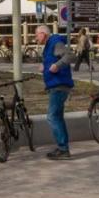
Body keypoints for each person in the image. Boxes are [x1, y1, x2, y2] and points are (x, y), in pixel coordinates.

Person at [35, 24, 75, 159]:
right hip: (55, 85)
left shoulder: (55, 43)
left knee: (52, 116)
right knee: (57, 117)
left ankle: (63, 149)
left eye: (37, 34)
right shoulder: (48, 46)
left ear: (43, 34)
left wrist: (57, 66)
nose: (35, 38)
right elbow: (52, 61)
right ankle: (62, 148)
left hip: (59, 86)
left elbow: (69, 56)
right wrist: (44, 66)